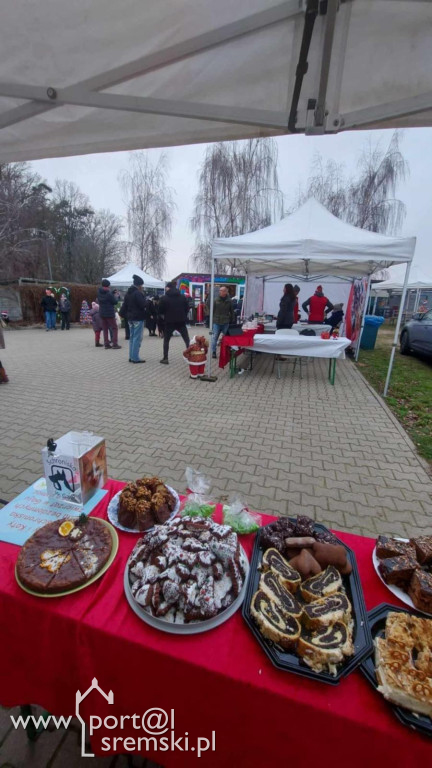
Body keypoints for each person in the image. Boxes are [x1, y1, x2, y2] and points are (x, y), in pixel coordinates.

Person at [158, 282, 190, 364]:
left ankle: (165, 358)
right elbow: (187, 308)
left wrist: (164, 316)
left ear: (168, 288)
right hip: (181, 321)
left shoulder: (164, 298)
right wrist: (183, 315)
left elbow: (160, 310)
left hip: (169, 321)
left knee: (166, 340)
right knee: (186, 339)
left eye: (166, 287)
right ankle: (191, 356)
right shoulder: (182, 297)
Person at [206, 285, 234, 359]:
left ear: (226, 292)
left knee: (227, 337)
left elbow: (232, 311)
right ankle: (214, 352)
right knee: (214, 337)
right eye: (220, 290)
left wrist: (232, 320)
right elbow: (211, 311)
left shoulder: (229, 300)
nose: (220, 292)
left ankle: (227, 351)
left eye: (222, 290)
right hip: (217, 322)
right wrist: (211, 320)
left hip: (226, 322)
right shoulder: (215, 300)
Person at [125, 274, 148, 363]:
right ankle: (135, 358)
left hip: (130, 318)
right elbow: (143, 304)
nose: (142, 287)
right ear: (139, 285)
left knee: (132, 337)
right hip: (138, 318)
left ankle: (131, 356)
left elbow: (125, 305)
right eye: (141, 285)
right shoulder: (137, 293)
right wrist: (147, 301)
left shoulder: (128, 293)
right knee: (137, 338)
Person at [97, 279, 121, 349]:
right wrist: (116, 296)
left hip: (102, 313)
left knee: (105, 329)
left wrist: (112, 293)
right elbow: (115, 302)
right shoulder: (109, 294)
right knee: (114, 328)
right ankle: (115, 343)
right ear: (108, 286)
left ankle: (106, 344)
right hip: (109, 313)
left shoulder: (99, 292)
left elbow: (107, 295)